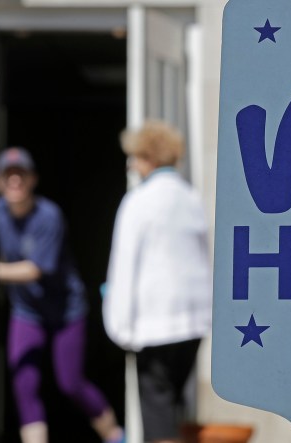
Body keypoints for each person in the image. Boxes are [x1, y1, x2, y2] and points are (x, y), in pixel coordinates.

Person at [0, 147, 124, 443]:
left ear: (33, 180)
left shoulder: (49, 216)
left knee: (70, 383)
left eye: (21, 175)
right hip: (28, 313)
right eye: (8, 176)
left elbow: (35, 269)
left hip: (67, 311)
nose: (15, 181)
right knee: (24, 383)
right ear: (0, 183)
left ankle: (116, 436)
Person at [103, 121, 213, 443]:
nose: (132, 164)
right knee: (176, 407)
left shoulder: (139, 201)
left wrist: (119, 327)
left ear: (149, 158)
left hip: (154, 324)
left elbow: (124, 267)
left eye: (135, 156)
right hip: (192, 322)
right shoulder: (191, 198)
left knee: (158, 415)